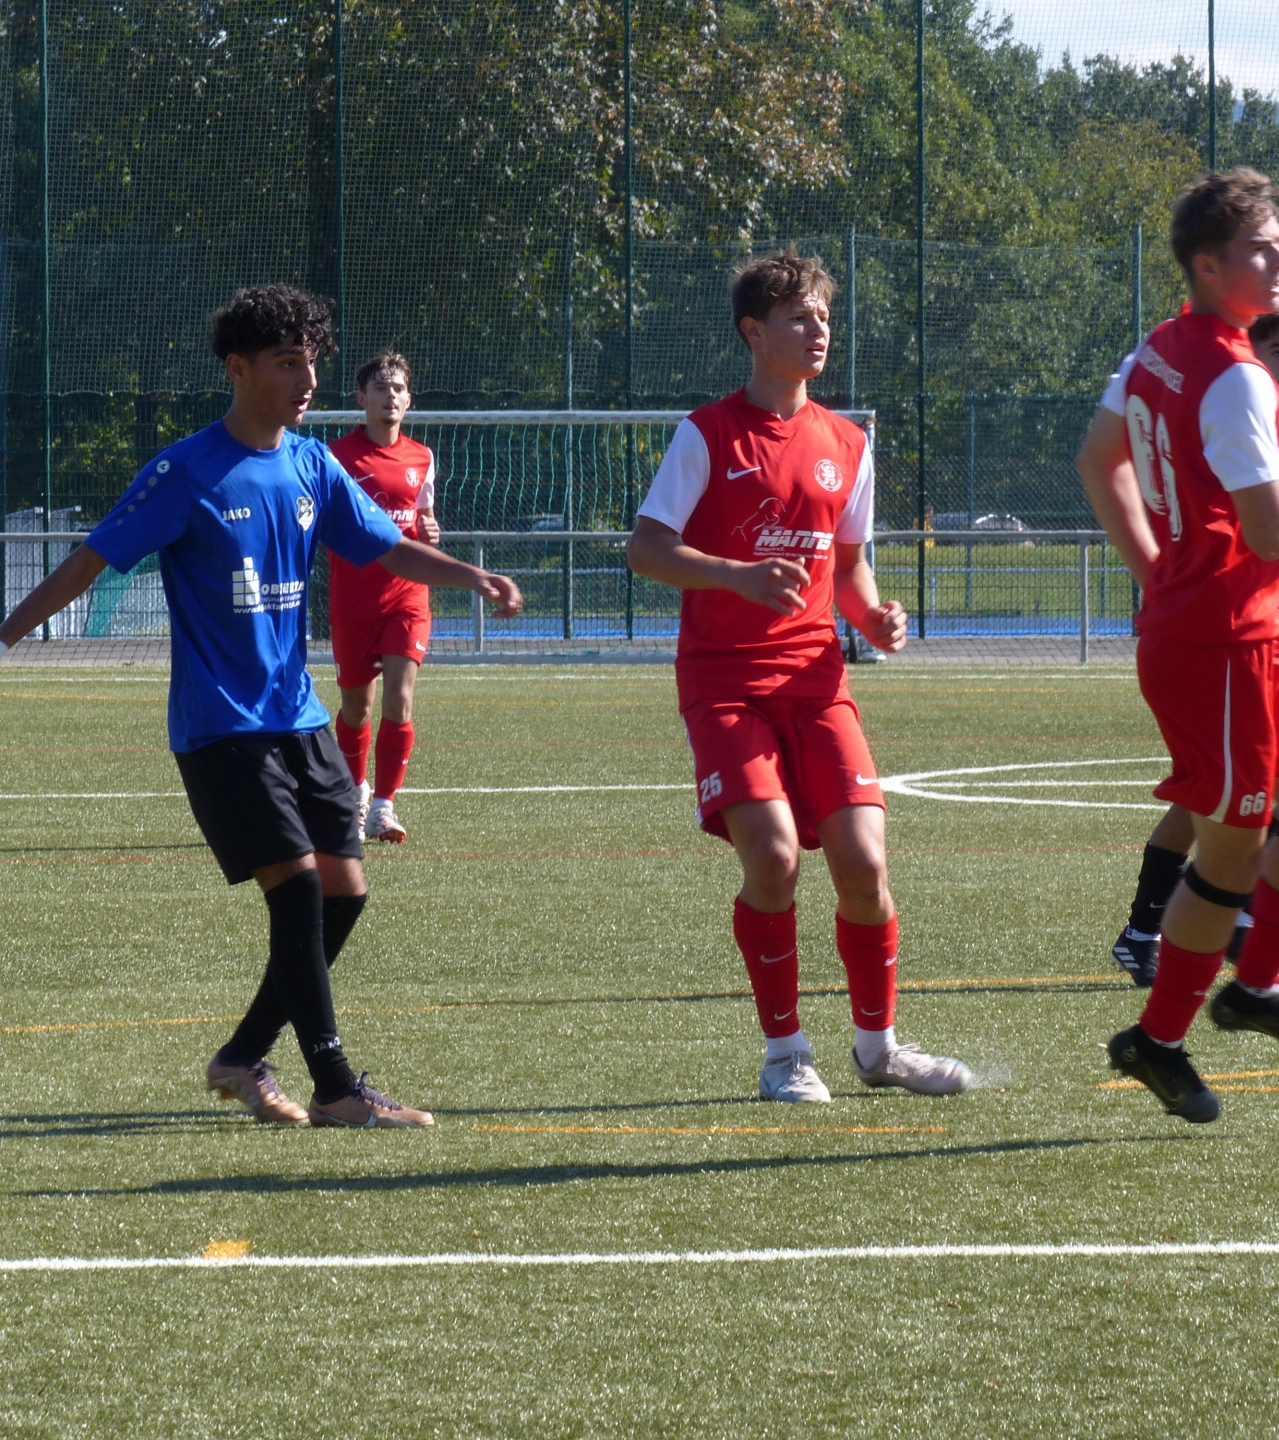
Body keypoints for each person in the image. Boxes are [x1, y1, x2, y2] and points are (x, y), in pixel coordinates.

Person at [0, 285, 523, 1127]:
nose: (307, 379)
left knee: (345, 892)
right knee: (300, 893)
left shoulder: (313, 464)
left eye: (311, 361)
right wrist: (9, 630)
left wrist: (472, 576)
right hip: (222, 725)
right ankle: (336, 1087)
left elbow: (388, 548)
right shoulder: (186, 470)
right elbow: (92, 558)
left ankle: (243, 1056)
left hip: (299, 717)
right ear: (237, 369)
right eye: (287, 363)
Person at [626, 248, 970, 1105]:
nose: (818, 330)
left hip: (818, 680)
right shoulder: (708, 433)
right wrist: (736, 577)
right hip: (724, 681)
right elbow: (646, 549)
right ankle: (785, 1054)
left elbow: (848, 569)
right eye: (798, 317)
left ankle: (879, 1049)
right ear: (754, 332)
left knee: (864, 862)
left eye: (823, 315)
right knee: (774, 857)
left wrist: (875, 618)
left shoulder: (847, 443)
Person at [1075, 170, 1279, 1123]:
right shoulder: (1236, 376)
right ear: (1208, 266)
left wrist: (1153, 569)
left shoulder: (1159, 346)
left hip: (1245, 633)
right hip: (1220, 646)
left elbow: (1098, 459)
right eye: (1260, 248)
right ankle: (1156, 1041)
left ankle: (1254, 991)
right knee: (1231, 856)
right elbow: (1273, 532)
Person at [328, 351, 439, 842]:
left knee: (400, 697)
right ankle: (355, 796)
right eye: (380, 387)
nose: (389, 395)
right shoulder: (335, 457)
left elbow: (423, 520)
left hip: (406, 596)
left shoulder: (422, 457)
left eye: (397, 388)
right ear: (362, 398)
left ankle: (383, 807)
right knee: (357, 708)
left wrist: (430, 530)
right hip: (354, 599)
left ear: (408, 400)